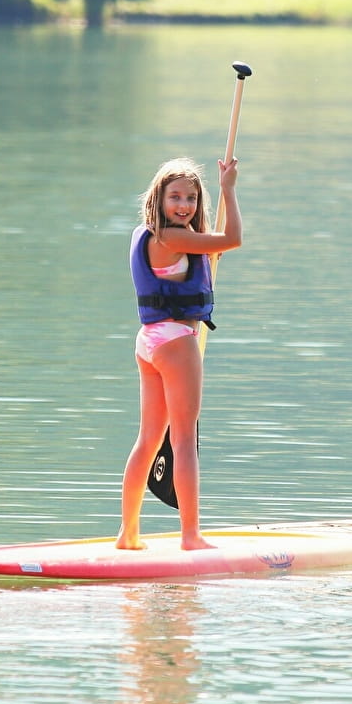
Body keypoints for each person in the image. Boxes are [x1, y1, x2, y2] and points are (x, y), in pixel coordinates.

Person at [118, 156, 242, 551]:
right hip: (175, 342)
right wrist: (229, 189)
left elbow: (197, 256)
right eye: (175, 198)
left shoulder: (152, 236)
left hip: (149, 341)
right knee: (184, 439)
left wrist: (205, 256)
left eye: (191, 198)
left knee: (150, 440)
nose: (183, 206)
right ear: (159, 198)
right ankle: (190, 536)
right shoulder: (173, 238)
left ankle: (129, 534)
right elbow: (233, 238)